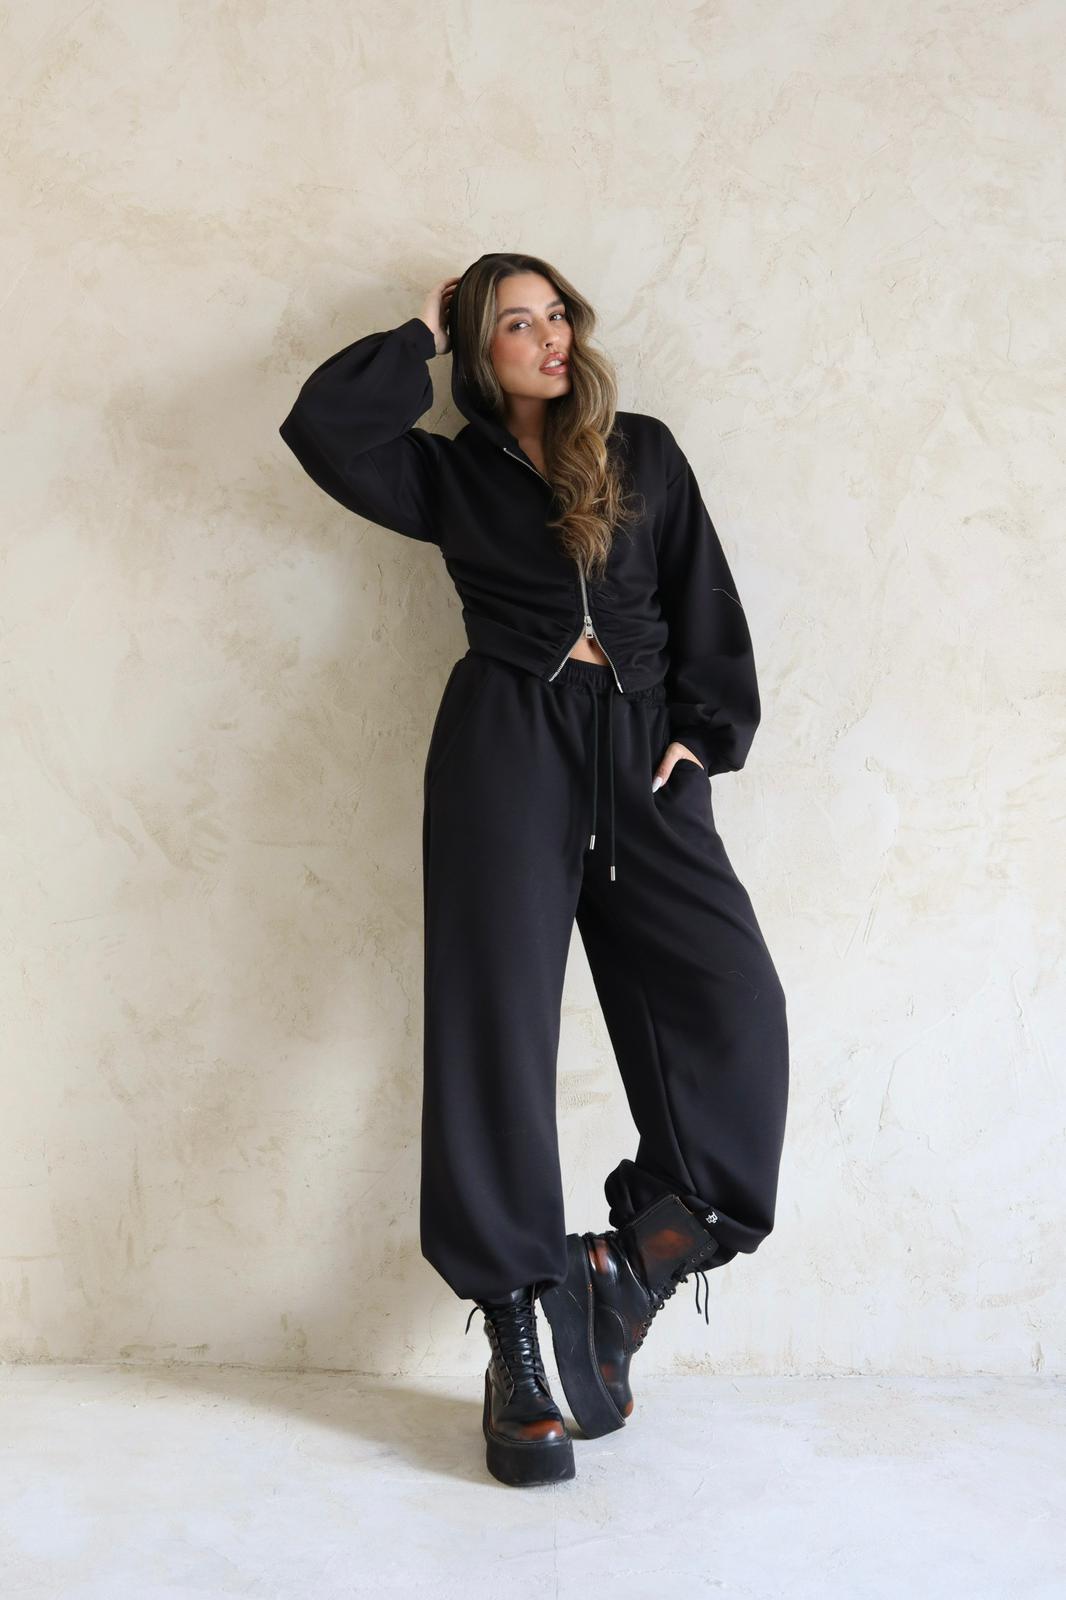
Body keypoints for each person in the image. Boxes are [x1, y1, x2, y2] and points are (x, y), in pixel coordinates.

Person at [278, 251, 790, 1488]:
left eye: (555, 312)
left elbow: (702, 595)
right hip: (506, 743)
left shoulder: (641, 451)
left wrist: (702, 739)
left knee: (734, 1007)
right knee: (493, 1028)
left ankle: (632, 1260)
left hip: (642, 752)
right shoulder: (448, 472)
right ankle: (515, 1333)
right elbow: (324, 428)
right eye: (515, 322)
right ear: (478, 348)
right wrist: (420, 324)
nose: (550, 336)